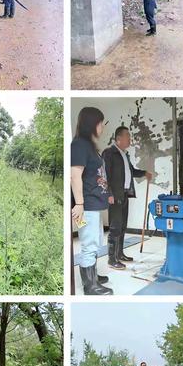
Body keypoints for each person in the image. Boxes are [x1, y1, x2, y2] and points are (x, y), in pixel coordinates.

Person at [71, 107, 113, 295]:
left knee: (95, 241)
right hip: (86, 205)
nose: (102, 127)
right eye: (100, 123)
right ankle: (90, 286)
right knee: (88, 244)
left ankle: (93, 275)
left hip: (94, 204)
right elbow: (75, 175)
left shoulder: (89, 146)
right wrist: (79, 204)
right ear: (92, 124)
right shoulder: (79, 144)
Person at [102, 127, 152, 270]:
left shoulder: (124, 155)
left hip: (125, 194)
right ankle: (112, 259)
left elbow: (132, 172)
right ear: (118, 138)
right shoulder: (109, 153)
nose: (130, 139)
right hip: (115, 195)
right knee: (115, 227)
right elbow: (105, 175)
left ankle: (120, 254)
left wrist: (144, 173)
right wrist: (109, 194)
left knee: (122, 226)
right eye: (127, 136)